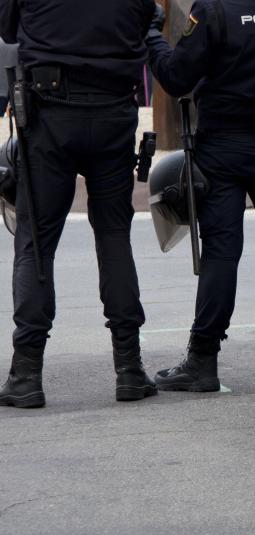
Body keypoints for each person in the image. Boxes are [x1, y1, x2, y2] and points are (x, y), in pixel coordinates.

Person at [146, 0, 255, 392]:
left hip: (223, 146)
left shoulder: (215, 9)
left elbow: (176, 77)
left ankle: (203, 359)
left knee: (222, 252)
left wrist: (152, 35)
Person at [0, 0, 159, 408]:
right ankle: (129, 368)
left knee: (36, 244)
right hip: (113, 110)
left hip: (49, 110)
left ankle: (26, 374)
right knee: (114, 238)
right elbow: (147, 21)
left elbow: (7, 28)